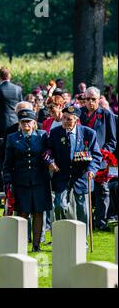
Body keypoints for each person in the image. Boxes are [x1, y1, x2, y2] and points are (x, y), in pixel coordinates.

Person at [47, 106, 102, 237]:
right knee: (60, 205)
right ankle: (63, 235)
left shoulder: (88, 133)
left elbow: (96, 155)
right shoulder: (55, 133)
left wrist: (91, 170)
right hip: (62, 174)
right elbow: (48, 151)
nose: (65, 121)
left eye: (69, 119)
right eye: (64, 118)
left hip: (82, 176)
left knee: (83, 209)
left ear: (76, 120)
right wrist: (50, 162)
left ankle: (83, 239)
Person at [3, 109, 52, 252]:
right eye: (23, 122)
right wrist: (7, 181)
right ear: (19, 123)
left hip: (39, 180)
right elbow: (8, 162)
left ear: (34, 123)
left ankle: (36, 245)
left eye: (28, 121)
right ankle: (21, 244)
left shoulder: (42, 136)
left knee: (38, 212)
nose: (26, 124)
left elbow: (49, 153)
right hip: (21, 181)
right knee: (22, 213)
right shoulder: (13, 138)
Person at [80, 86, 117, 231]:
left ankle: (100, 222)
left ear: (99, 99)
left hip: (100, 159)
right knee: (84, 191)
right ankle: (85, 221)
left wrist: (102, 153)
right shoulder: (79, 114)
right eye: (87, 99)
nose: (90, 102)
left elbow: (112, 140)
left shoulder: (106, 115)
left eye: (93, 99)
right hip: (82, 158)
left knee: (102, 191)